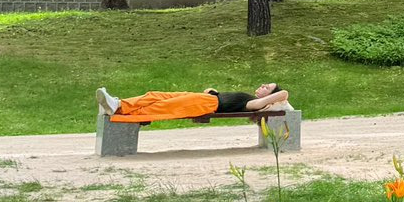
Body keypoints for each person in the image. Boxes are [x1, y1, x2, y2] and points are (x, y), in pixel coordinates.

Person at [97, 81, 290, 124]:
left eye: (267, 87)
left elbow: (283, 94)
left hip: (207, 105)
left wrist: (278, 95)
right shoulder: (248, 97)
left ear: (269, 96)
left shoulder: (252, 103)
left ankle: (121, 113)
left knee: (163, 107)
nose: (262, 86)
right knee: (156, 95)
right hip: (205, 98)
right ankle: (119, 104)